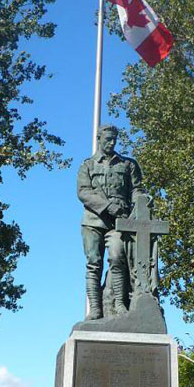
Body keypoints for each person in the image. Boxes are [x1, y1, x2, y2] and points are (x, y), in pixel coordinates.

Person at [77, 124, 146, 319]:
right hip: (93, 221)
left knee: (118, 257)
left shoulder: (128, 165)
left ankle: (119, 303)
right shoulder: (87, 165)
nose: (112, 143)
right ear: (99, 139)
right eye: (108, 139)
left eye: (114, 140)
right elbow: (83, 192)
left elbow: (136, 189)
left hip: (119, 222)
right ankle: (96, 309)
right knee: (94, 264)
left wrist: (140, 203)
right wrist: (107, 206)